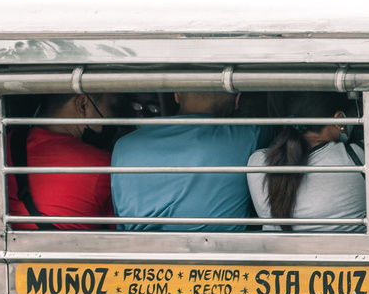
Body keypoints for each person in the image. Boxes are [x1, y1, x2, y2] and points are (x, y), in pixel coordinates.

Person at [112, 89, 262, 232]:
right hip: (220, 252)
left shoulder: (123, 146)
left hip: (138, 254)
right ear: (237, 99)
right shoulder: (251, 135)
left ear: (177, 95)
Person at [247, 91, 365, 233]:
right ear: (339, 119)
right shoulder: (359, 157)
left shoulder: (258, 162)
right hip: (347, 254)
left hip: (279, 254)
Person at [16, 92, 114, 231]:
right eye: (113, 107)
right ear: (82, 105)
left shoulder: (1, 144)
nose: (114, 118)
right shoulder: (103, 166)